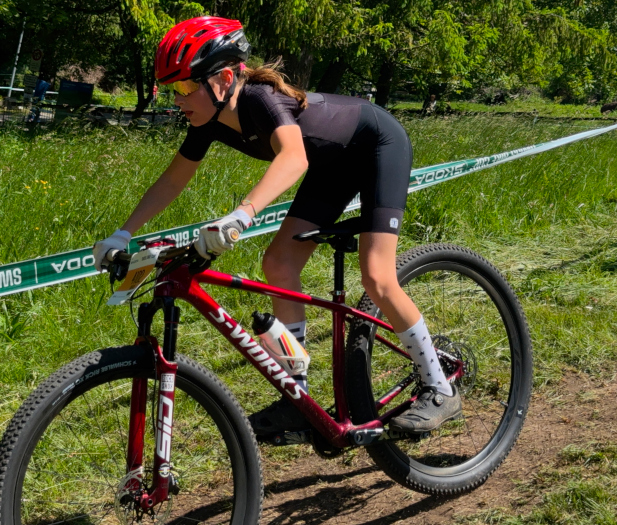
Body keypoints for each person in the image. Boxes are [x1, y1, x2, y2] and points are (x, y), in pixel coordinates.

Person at [93, 16, 462, 439]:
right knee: (278, 264)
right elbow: (173, 180)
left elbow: (293, 158)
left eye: (181, 87)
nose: (175, 99)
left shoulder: (259, 99)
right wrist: (123, 233)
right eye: (169, 89)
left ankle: (440, 386)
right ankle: (298, 396)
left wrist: (243, 213)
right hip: (330, 165)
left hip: (376, 147)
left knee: (377, 276)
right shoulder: (207, 118)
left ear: (224, 78)